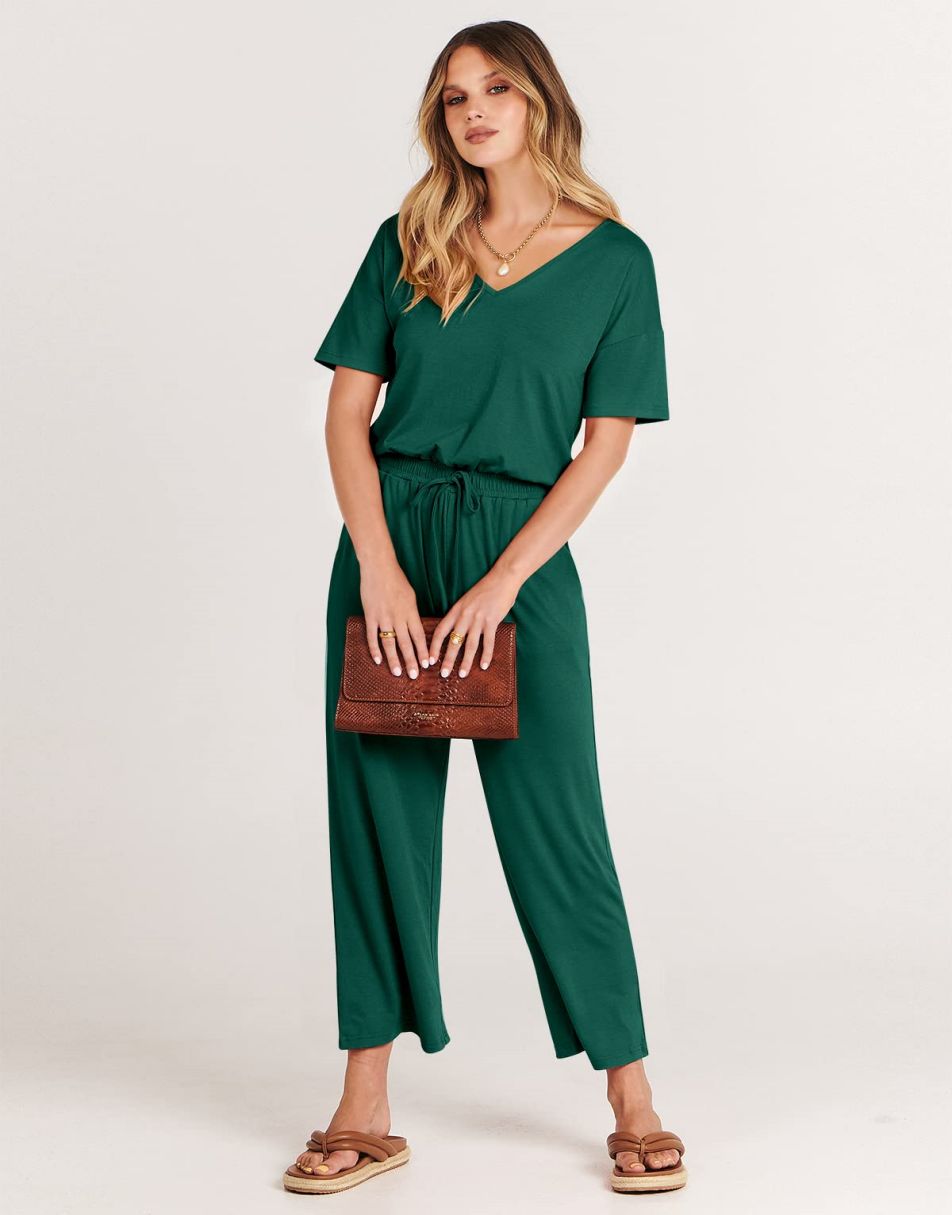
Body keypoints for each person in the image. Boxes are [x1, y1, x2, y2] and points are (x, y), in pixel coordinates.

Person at [283, 20, 687, 1197]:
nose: (472, 110)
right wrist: (379, 567)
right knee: (378, 819)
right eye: (453, 95)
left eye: (496, 88)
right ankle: (364, 1102)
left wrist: (503, 584)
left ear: (538, 102)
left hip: (521, 555)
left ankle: (631, 1094)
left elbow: (603, 446)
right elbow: (345, 416)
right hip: (390, 544)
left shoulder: (615, 262)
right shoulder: (408, 239)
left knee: (559, 824)